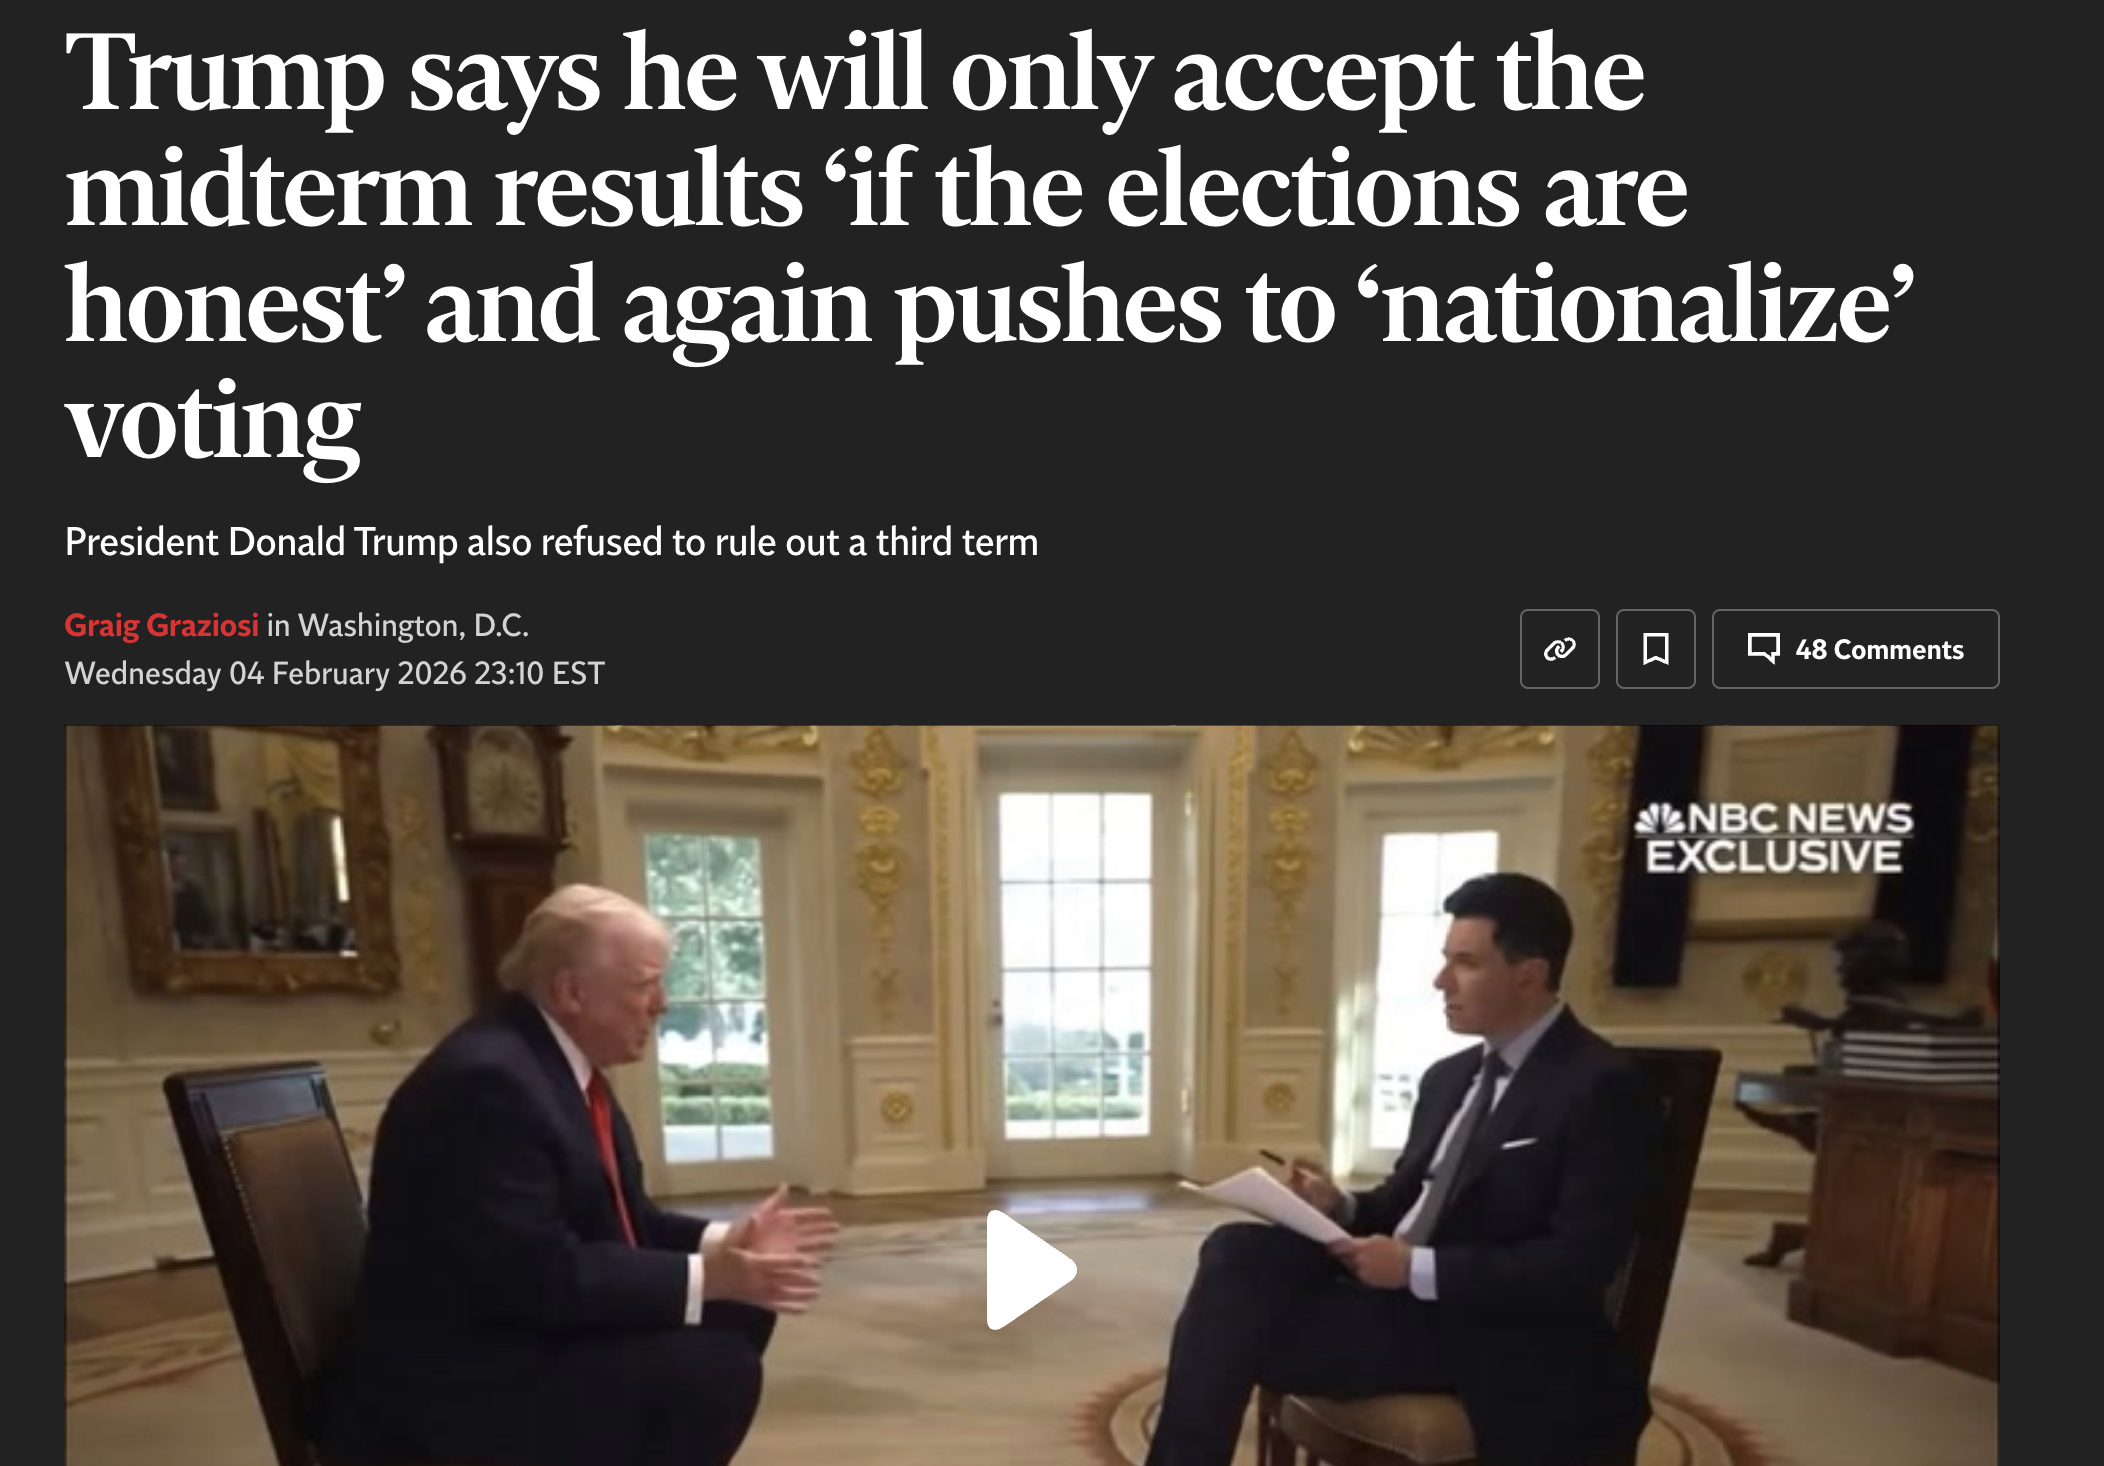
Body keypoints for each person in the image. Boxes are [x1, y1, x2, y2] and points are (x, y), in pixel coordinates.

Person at [1145, 873, 1662, 1466]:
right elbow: (1407, 1202)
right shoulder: (1450, 1077)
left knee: (1227, 1333)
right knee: (1236, 1252)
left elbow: (1578, 1263)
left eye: (1466, 963)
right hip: (1396, 1299)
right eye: (1447, 959)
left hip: (1492, 1328)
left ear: (1530, 973)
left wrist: (1415, 1269)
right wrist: (1340, 1206)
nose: (1441, 981)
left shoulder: (1601, 1086)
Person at [320, 884, 839, 1466]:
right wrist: (709, 1276)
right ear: (571, 991)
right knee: (711, 1367)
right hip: (451, 1385)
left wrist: (726, 1243)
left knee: (739, 1307)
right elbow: (532, 1272)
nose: (662, 1004)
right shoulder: (488, 1082)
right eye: (644, 984)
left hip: (508, 1334)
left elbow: (624, 1217)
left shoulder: (548, 1062)